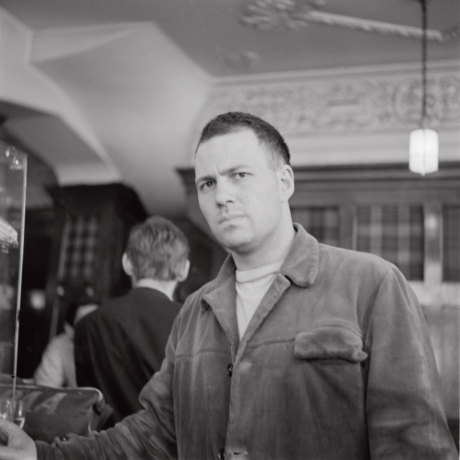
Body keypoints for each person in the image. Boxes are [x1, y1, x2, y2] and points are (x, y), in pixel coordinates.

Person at [0, 112, 457, 460]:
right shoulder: (196, 312)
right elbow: (154, 434)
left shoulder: (371, 284)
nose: (221, 195)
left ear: (284, 182)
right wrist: (41, 454)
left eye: (239, 175)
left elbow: (415, 446)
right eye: (207, 183)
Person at [73, 216, 190, 426]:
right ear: (184, 269)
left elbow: (90, 410)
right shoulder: (195, 324)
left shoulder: (87, 326)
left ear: (127, 263)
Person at [34, 303, 98, 388]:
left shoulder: (114, 344)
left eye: (95, 326)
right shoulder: (61, 344)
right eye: (83, 326)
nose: (90, 332)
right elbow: (45, 387)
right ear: (69, 329)